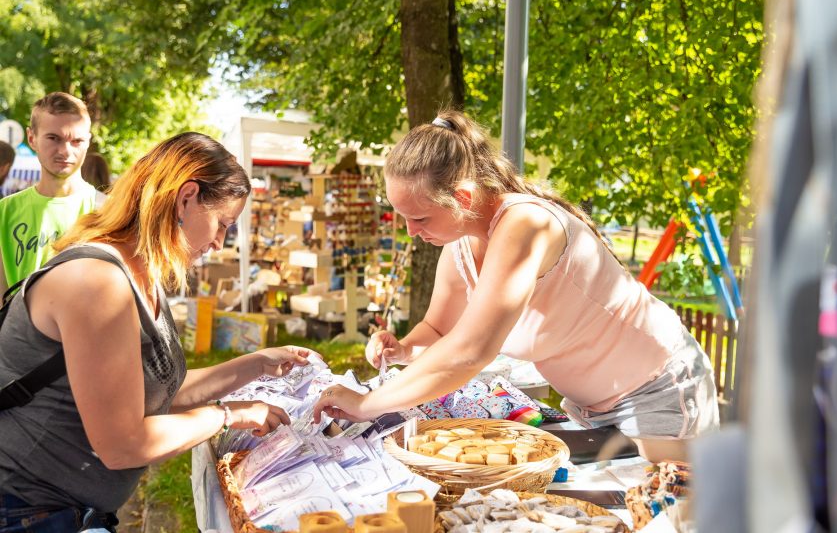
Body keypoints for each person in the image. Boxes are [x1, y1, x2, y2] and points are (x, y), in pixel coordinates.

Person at [314, 110, 719, 462]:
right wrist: (404, 349)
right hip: (592, 404)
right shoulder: (459, 246)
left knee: (671, 511)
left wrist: (367, 404)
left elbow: (470, 352)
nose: (410, 231)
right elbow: (438, 332)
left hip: (658, 387)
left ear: (462, 197)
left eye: (420, 218)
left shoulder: (524, 225)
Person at [0, 132, 313, 532]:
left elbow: (156, 395)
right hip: (29, 511)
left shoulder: (138, 274)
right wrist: (230, 415)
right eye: (223, 223)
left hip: (64, 510)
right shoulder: (99, 283)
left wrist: (257, 364)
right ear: (186, 198)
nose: (220, 241)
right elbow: (124, 443)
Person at [0, 92, 100, 293]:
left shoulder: (106, 210)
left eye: (76, 141)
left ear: (88, 141)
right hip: (16, 324)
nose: (65, 151)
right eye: (54, 138)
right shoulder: (5, 211)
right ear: (32, 138)